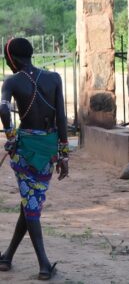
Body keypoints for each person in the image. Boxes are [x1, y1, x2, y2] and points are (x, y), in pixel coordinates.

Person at [0, 37, 69, 280]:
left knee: (30, 203)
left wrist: (10, 134)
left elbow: (3, 108)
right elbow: (61, 116)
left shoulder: (12, 82)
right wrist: (64, 155)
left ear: (12, 58)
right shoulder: (54, 79)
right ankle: (29, 261)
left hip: (25, 150)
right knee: (31, 202)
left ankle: (34, 262)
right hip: (48, 150)